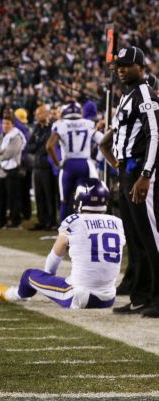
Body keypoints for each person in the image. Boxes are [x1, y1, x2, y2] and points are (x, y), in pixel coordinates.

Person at [0, 179, 124, 309]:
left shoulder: (74, 221)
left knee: (29, 275)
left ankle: (15, 295)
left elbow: (55, 256)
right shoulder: (118, 223)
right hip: (108, 298)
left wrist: (47, 277)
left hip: (79, 296)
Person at [99, 46, 159, 317]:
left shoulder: (145, 94)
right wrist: (115, 163)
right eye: (118, 65)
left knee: (151, 236)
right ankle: (141, 295)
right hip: (126, 171)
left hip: (141, 173)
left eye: (127, 65)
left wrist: (145, 175)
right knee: (135, 238)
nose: (121, 69)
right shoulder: (127, 96)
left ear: (141, 67)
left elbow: (155, 136)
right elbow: (112, 137)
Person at [46, 101, 103, 222]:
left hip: (68, 165)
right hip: (85, 165)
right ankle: (85, 231)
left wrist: (58, 163)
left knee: (65, 201)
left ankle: (64, 234)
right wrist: (98, 159)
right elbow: (103, 141)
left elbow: (49, 146)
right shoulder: (88, 124)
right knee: (86, 201)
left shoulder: (60, 124)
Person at [25, 105, 57, 230]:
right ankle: (42, 220)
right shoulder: (38, 128)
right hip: (37, 165)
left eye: (39, 114)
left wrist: (38, 145)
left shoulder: (52, 127)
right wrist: (39, 145)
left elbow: (46, 147)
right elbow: (29, 147)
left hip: (47, 166)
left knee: (49, 195)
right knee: (39, 195)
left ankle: (51, 221)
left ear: (46, 113)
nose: (37, 117)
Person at [0, 110, 26, 228]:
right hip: (1, 169)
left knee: (13, 197)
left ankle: (15, 221)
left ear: (12, 124)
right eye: (3, 123)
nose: (5, 126)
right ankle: (0, 220)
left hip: (13, 170)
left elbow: (9, 154)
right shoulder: (1, 137)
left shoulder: (16, 137)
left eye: (7, 123)